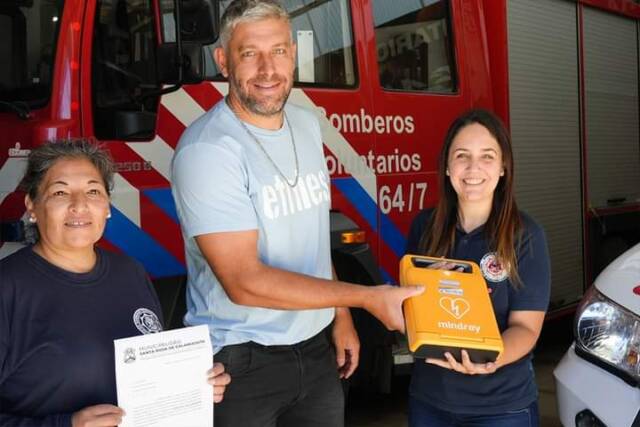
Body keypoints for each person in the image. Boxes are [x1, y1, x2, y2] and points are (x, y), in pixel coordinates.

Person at [170, 1, 423, 426]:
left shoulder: (306, 125)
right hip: (240, 363)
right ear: (223, 62)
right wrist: (364, 298)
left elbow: (312, 237)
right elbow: (244, 283)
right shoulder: (208, 150)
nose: (268, 70)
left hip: (315, 350)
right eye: (250, 53)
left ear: (293, 53)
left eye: (280, 52)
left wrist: (339, 317)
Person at [0, 140, 230, 427]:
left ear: (107, 206)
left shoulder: (129, 272)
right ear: (32, 206)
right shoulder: (8, 289)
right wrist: (65, 425)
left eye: (93, 191)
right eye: (60, 192)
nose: (79, 205)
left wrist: (193, 384)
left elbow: (150, 372)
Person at [405, 109, 551, 427]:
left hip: (502, 408)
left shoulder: (525, 235)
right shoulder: (423, 228)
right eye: (462, 156)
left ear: (503, 168)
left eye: (487, 156)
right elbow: (407, 311)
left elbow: (526, 329)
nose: (473, 168)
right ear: (447, 166)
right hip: (430, 403)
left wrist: (490, 359)